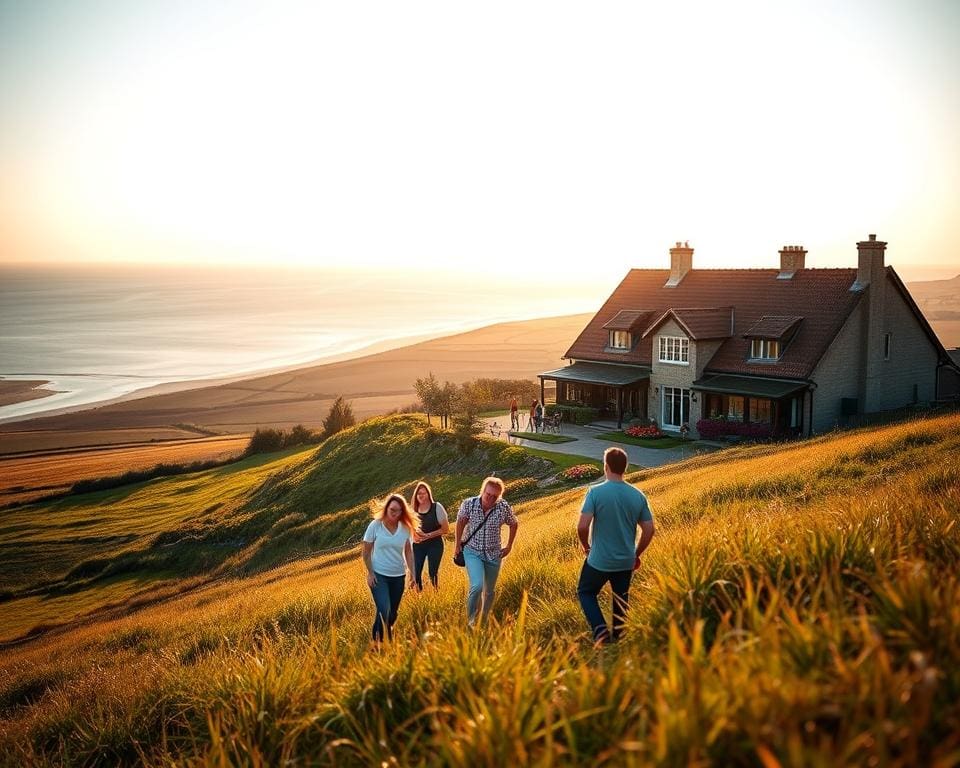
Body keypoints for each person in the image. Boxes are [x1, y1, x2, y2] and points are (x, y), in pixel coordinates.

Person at [576, 447, 655, 645]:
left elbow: (582, 526)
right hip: (625, 561)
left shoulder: (595, 492)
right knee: (621, 599)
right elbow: (649, 530)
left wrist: (586, 546)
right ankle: (619, 639)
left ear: (606, 466)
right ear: (625, 467)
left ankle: (601, 633)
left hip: (599, 560)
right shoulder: (637, 495)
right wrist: (636, 554)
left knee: (585, 592)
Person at [454, 476, 519, 627]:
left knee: (489, 591)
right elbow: (460, 522)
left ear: (499, 497)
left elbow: (514, 523)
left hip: (493, 554)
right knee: (477, 586)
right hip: (472, 551)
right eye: (488, 494)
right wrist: (457, 545)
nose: (490, 498)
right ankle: (470, 622)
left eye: (494, 496)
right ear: (482, 491)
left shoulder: (503, 507)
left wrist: (509, 545)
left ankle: (483, 621)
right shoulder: (469, 504)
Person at [362, 494, 417, 643]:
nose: (394, 513)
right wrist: (370, 573)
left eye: (398, 511)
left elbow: (408, 552)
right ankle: (381, 642)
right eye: (392, 510)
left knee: (392, 614)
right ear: (386, 509)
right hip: (379, 575)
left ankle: (382, 635)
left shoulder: (405, 528)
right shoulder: (375, 525)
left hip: (398, 577)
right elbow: (366, 552)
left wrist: (413, 574)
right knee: (384, 610)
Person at [410, 481, 449, 590]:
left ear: (429, 494)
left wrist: (428, 535)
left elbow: (445, 529)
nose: (421, 495)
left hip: (435, 544)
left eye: (424, 493)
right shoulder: (412, 510)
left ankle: (437, 593)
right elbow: (409, 529)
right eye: (419, 493)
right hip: (418, 545)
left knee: (433, 573)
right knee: (416, 574)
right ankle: (419, 598)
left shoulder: (437, 507)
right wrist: (415, 534)